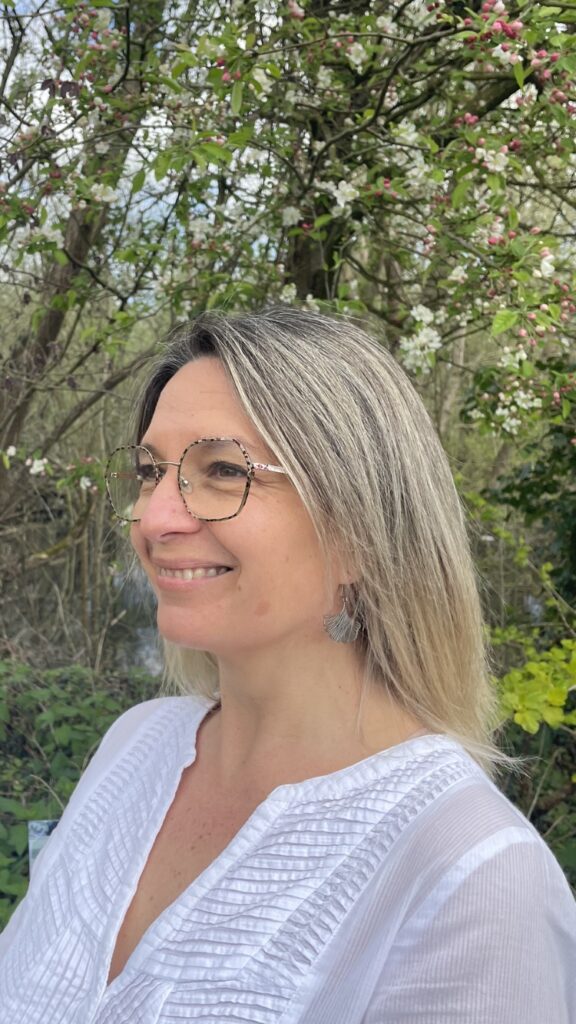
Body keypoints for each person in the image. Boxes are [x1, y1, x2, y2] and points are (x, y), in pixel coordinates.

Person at [0, 307, 574, 1023]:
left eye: (222, 471)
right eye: (150, 472)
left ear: (360, 529)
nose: (154, 518)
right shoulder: (136, 746)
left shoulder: (474, 876)